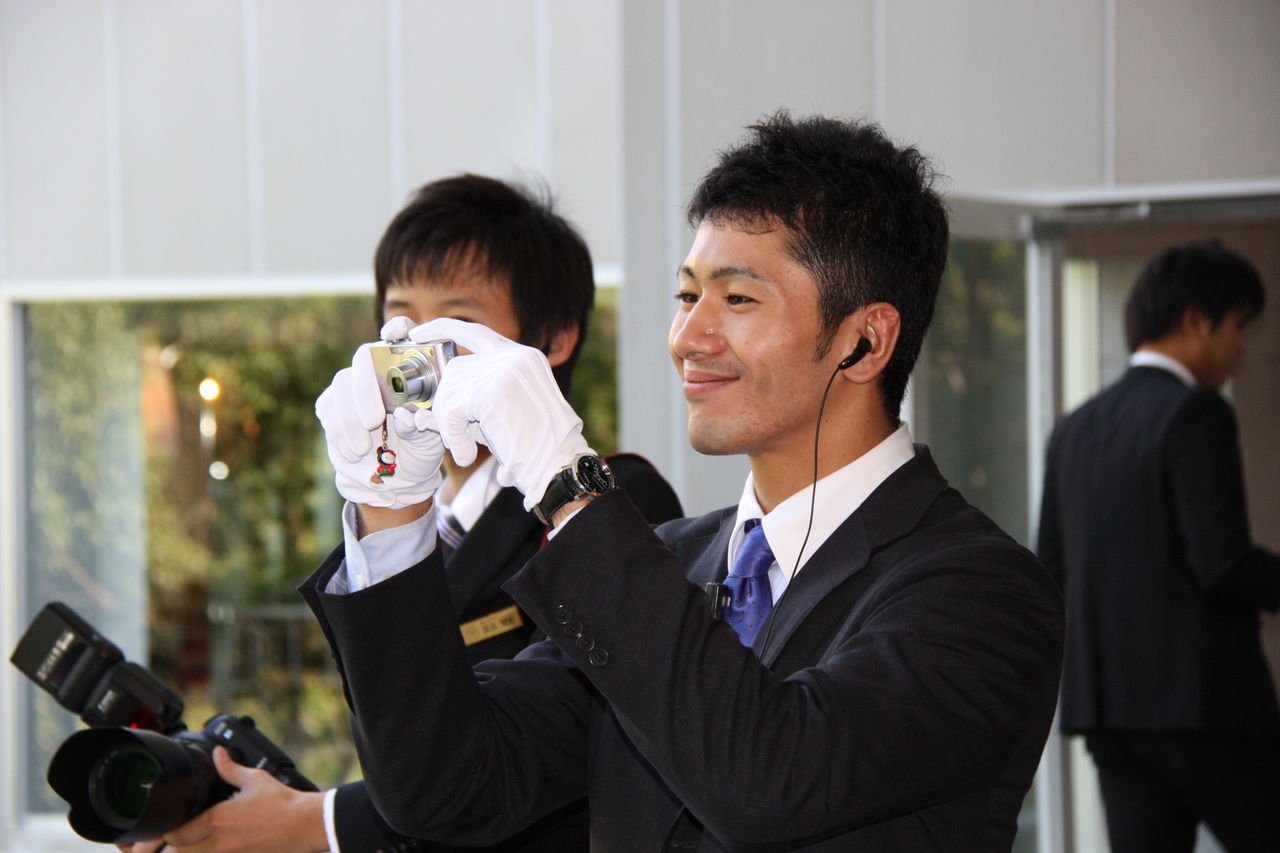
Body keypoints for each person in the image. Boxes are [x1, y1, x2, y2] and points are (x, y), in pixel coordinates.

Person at [303, 113, 1064, 851]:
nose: (688, 337)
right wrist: (390, 508)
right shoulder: (670, 560)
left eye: (738, 299)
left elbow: (765, 780)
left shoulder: (981, 591)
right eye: (686, 295)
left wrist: (566, 480)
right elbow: (448, 787)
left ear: (865, 341)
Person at [136, 175, 681, 853]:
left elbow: (567, 743)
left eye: (458, 320)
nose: (418, 350)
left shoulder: (605, 504)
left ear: (554, 338)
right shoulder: (391, 516)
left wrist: (318, 823)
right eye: (401, 319)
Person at [1037, 239, 1280, 852]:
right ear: (1197, 321)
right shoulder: (1197, 412)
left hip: (1109, 710)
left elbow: (1050, 572)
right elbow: (1222, 562)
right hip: (1205, 704)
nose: (1241, 346)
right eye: (1238, 325)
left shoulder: (1075, 429)